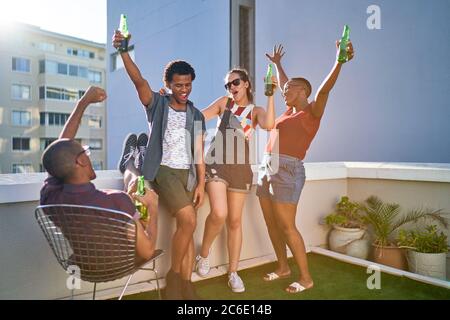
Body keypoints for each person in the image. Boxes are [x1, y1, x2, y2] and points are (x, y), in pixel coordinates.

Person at [112, 31, 206, 300]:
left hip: (186, 174)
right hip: (162, 170)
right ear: (168, 84)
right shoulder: (158, 104)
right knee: (188, 219)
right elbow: (138, 80)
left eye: (188, 85)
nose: (184, 90)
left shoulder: (196, 115)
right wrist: (123, 52)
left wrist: (201, 182)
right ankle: (174, 276)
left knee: (187, 229)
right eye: (178, 85)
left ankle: (186, 286)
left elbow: (198, 151)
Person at [256, 41, 354, 293]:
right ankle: (283, 267)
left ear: (302, 92)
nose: (282, 90)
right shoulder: (288, 111)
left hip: (288, 170)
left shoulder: (311, 112)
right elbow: (287, 83)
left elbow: (323, 91)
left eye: (288, 89)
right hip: (267, 167)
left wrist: (339, 61)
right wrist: (278, 64)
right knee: (271, 224)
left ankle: (306, 278)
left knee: (288, 226)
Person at [40, 86, 159, 262]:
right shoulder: (116, 201)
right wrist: (153, 207)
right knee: (137, 198)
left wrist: (83, 102)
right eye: (85, 152)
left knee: (130, 196)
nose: (88, 155)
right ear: (80, 162)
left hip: (84, 264)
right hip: (120, 263)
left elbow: (60, 149)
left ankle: (131, 166)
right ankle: (132, 166)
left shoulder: (50, 195)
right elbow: (147, 252)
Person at [194, 68, 276, 293]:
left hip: (240, 170)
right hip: (216, 164)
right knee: (219, 213)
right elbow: (198, 116)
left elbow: (269, 124)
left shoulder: (255, 111)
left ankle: (233, 273)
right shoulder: (225, 103)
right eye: (228, 84)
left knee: (235, 222)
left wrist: (270, 94)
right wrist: (171, 103)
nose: (231, 87)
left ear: (247, 84)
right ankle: (203, 255)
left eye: (235, 82)